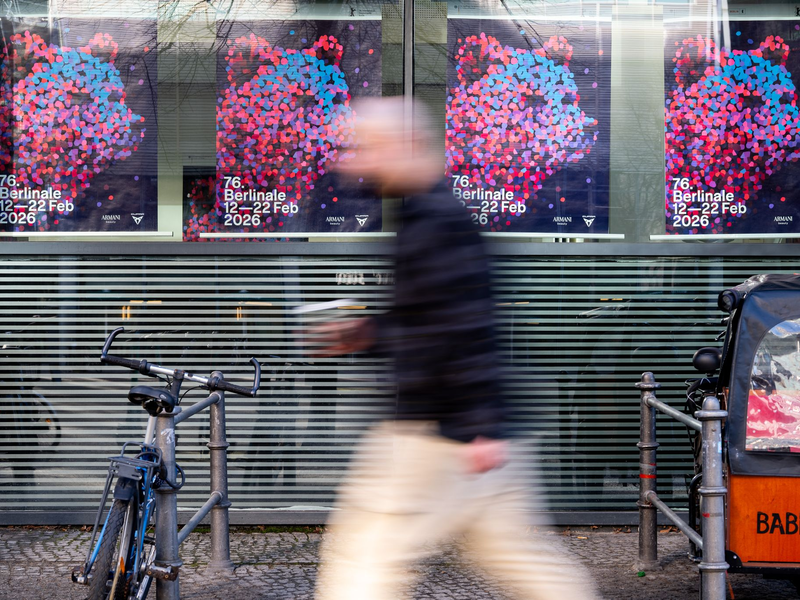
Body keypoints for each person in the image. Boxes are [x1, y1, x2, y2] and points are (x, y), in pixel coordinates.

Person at [312, 97, 598, 600]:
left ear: (402, 148)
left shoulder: (434, 222)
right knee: (517, 555)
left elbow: (465, 324)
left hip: (436, 432)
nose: (350, 161)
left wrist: (478, 424)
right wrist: (368, 333)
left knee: (365, 556)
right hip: (465, 430)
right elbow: (431, 320)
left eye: (364, 148)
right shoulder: (426, 215)